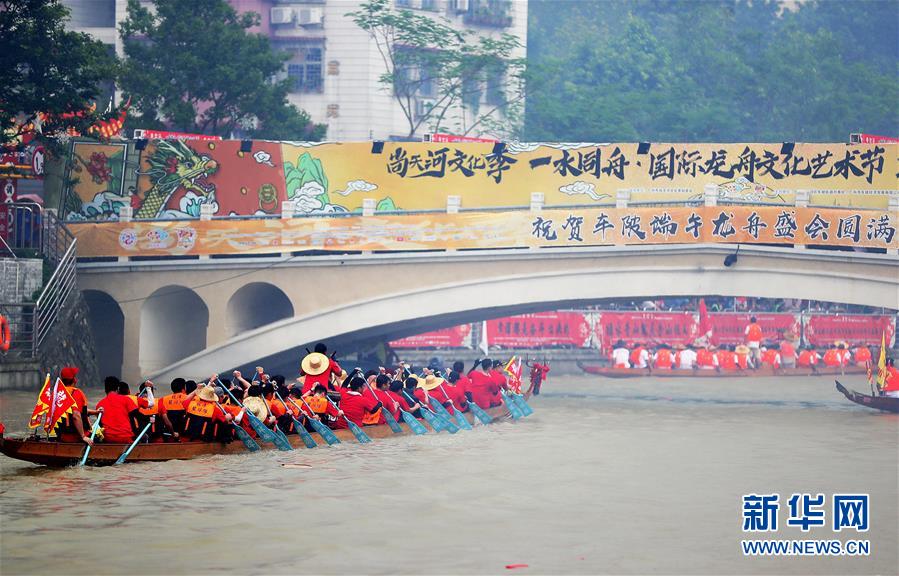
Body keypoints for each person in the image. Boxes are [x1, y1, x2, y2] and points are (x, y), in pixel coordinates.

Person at [95, 378, 150, 444]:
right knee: (145, 437)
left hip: (109, 439)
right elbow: (138, 416)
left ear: (105, 390)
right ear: (118, 388)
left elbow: (101, 424)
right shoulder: (126, 399)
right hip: (126, 438)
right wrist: (150, 419)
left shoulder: (99, 404)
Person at [56, 367, 95, 444]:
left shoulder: (57, 394)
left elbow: (71, 411)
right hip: (76, 438)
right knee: (99, 437)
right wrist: (83, 436)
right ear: (74, 380)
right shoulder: (76, 393)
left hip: (62, 436)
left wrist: (95, 412)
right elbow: (76, 415)